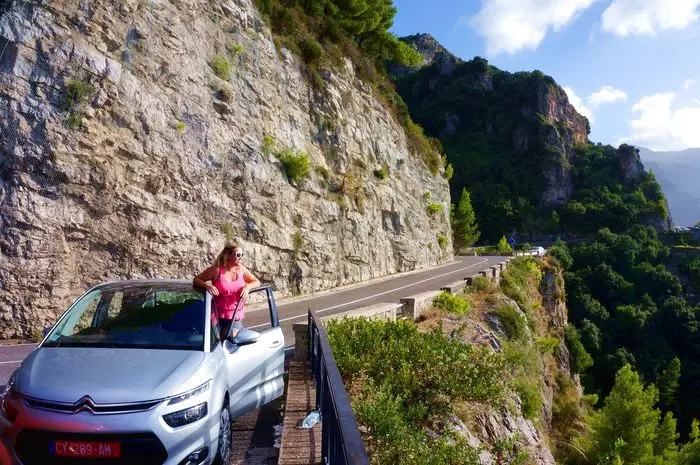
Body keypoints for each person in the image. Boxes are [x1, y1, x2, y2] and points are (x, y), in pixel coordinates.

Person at [193, 243, 261, 340]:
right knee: (214, 344)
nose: (241, 257)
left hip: (235, 317)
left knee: (231, 343)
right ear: (228, 256)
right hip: (216, 315)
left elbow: (256, 281)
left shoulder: (241, 270)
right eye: (238, 255)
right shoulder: (216, 270)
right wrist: (207, 286)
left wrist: (247, 287)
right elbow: (196, 279)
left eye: (242, 254)